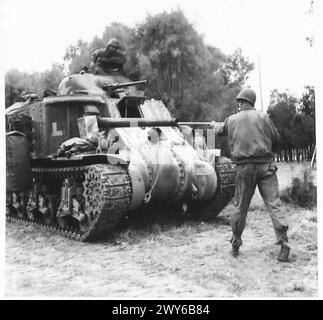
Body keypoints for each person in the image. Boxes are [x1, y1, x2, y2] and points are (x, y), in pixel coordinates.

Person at [211, 88, 290, 262]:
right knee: (274, 205)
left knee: (240, 207)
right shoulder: (263, 117)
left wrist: (213, 125)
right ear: (252, 102)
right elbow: (276, 139)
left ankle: (236, 243)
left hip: (244, 169)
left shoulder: (231, 119)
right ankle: (283, 244)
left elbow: (219, 130)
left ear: (240, 102)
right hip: (266, 167)